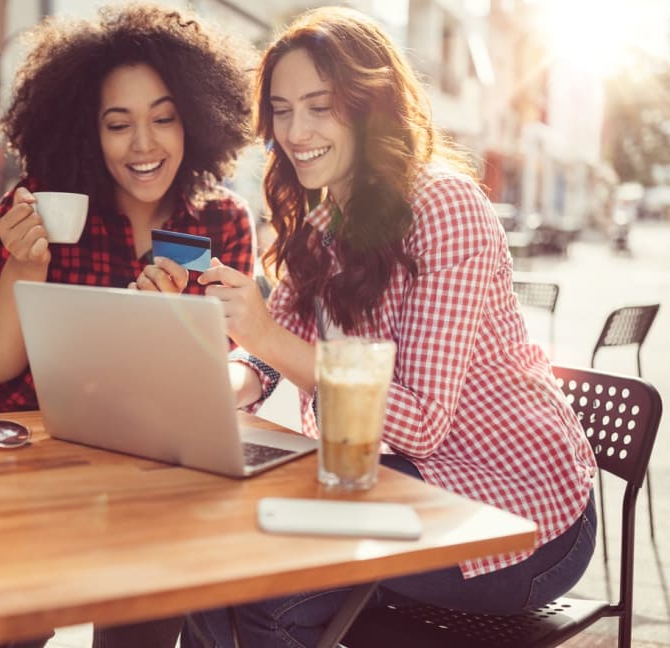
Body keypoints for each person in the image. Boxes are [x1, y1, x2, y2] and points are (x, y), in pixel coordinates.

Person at [185, 7, 597, 646]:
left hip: (516, 515)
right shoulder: (321, 230)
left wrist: (266, 335)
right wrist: (210, 388)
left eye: (321, 107)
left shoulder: (446, 206)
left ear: (369, 106)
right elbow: (268, 361)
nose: (296, 131)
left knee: (259, 595)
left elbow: (423, 423)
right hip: (388, 482)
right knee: (204, 566)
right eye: (284, 109)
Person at [0, 3, 255, 646]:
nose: (144, 145)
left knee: (141, 624)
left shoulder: (223, 223)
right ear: (89, 131)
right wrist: (23, 268)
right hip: (22, 456)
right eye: (119, 125)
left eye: (164, 119)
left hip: (145, 469)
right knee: (10, 629)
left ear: (195, 120)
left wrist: (171, 333)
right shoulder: (40, 205)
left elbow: (220, 369)